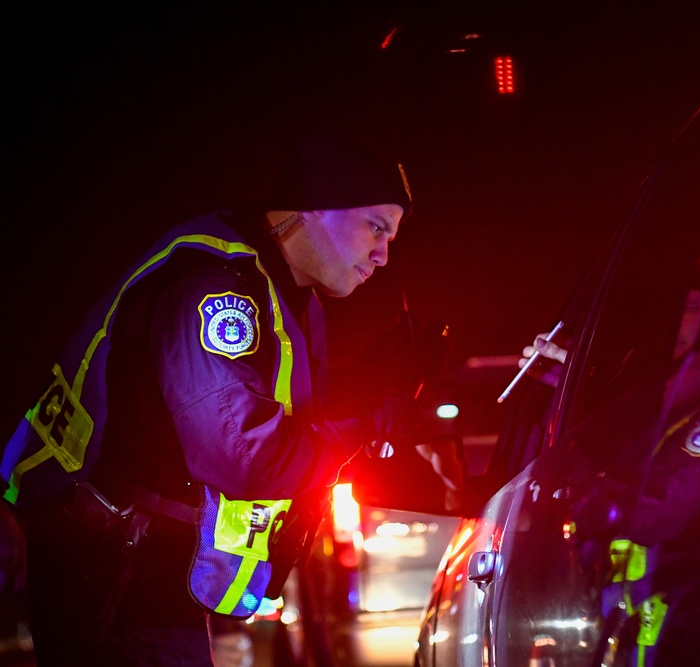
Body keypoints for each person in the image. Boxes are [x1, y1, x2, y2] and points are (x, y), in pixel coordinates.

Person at [0, 132, 429, 666]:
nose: (384, 255)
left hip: (141, 566)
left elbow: (283, 416)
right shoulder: (218, 287)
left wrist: (375, 386)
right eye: (376, 227)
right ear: (317, 207)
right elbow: (243, 454)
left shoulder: (286, 296)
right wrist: (365, 422)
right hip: (112, 563)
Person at [518, 287, 700, 666]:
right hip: (651, 633)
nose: (674, 320)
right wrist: (578, 383)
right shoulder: (664, 411)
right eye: (672, 307)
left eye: (690, 308)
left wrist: (583, 483)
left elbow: (662, 509)